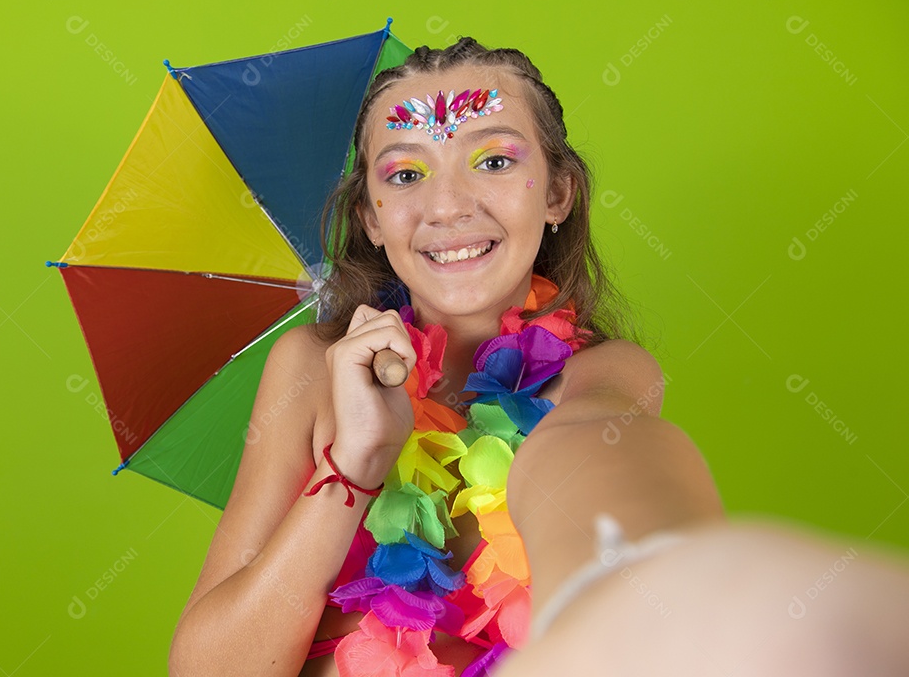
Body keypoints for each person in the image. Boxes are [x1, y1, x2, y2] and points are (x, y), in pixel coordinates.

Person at [168, 38, 909, 677]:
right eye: (405, 174)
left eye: (493, 160)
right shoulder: (310, 367)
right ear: (370, 216)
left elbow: (589, 448)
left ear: (557, 193)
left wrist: (655, 577)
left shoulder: (599, 373)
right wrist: (355, 465)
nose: (447, 206)